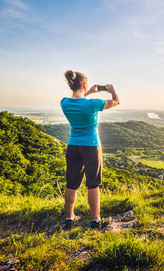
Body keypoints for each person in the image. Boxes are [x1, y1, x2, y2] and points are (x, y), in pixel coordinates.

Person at [60, 70, 120, 230]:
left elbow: (78, 100)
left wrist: (87, 91)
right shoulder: (93, 104)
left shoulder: (64, 102)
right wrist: (112, 91)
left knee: (71, 184)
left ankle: (69, 218)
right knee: (93, 184)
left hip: (73, 146)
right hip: (91, 146)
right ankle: (95, 221)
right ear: (85, 85)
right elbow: (116, 101)